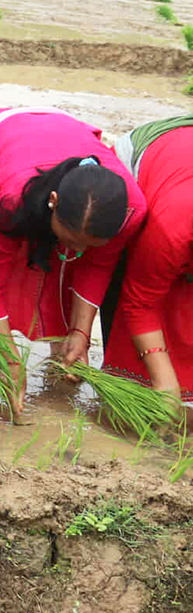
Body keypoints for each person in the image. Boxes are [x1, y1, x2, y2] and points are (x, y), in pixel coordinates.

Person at [0, 107, 143, 419]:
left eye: (90, 245)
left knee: (64, 274)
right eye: (72, 238)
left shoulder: (130, 209)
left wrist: (80, 333)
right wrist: (9, 360)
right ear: (52, 202)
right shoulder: (13, 199)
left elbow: (98, 267)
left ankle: (61, 368)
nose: (80, 250)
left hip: (58, 141)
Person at [101, 115, 193, 403]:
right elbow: (140, 302)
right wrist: (164, 380)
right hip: (140, 168)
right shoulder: (170, 230)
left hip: (180, 172)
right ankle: (124, 388)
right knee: (135, 281)